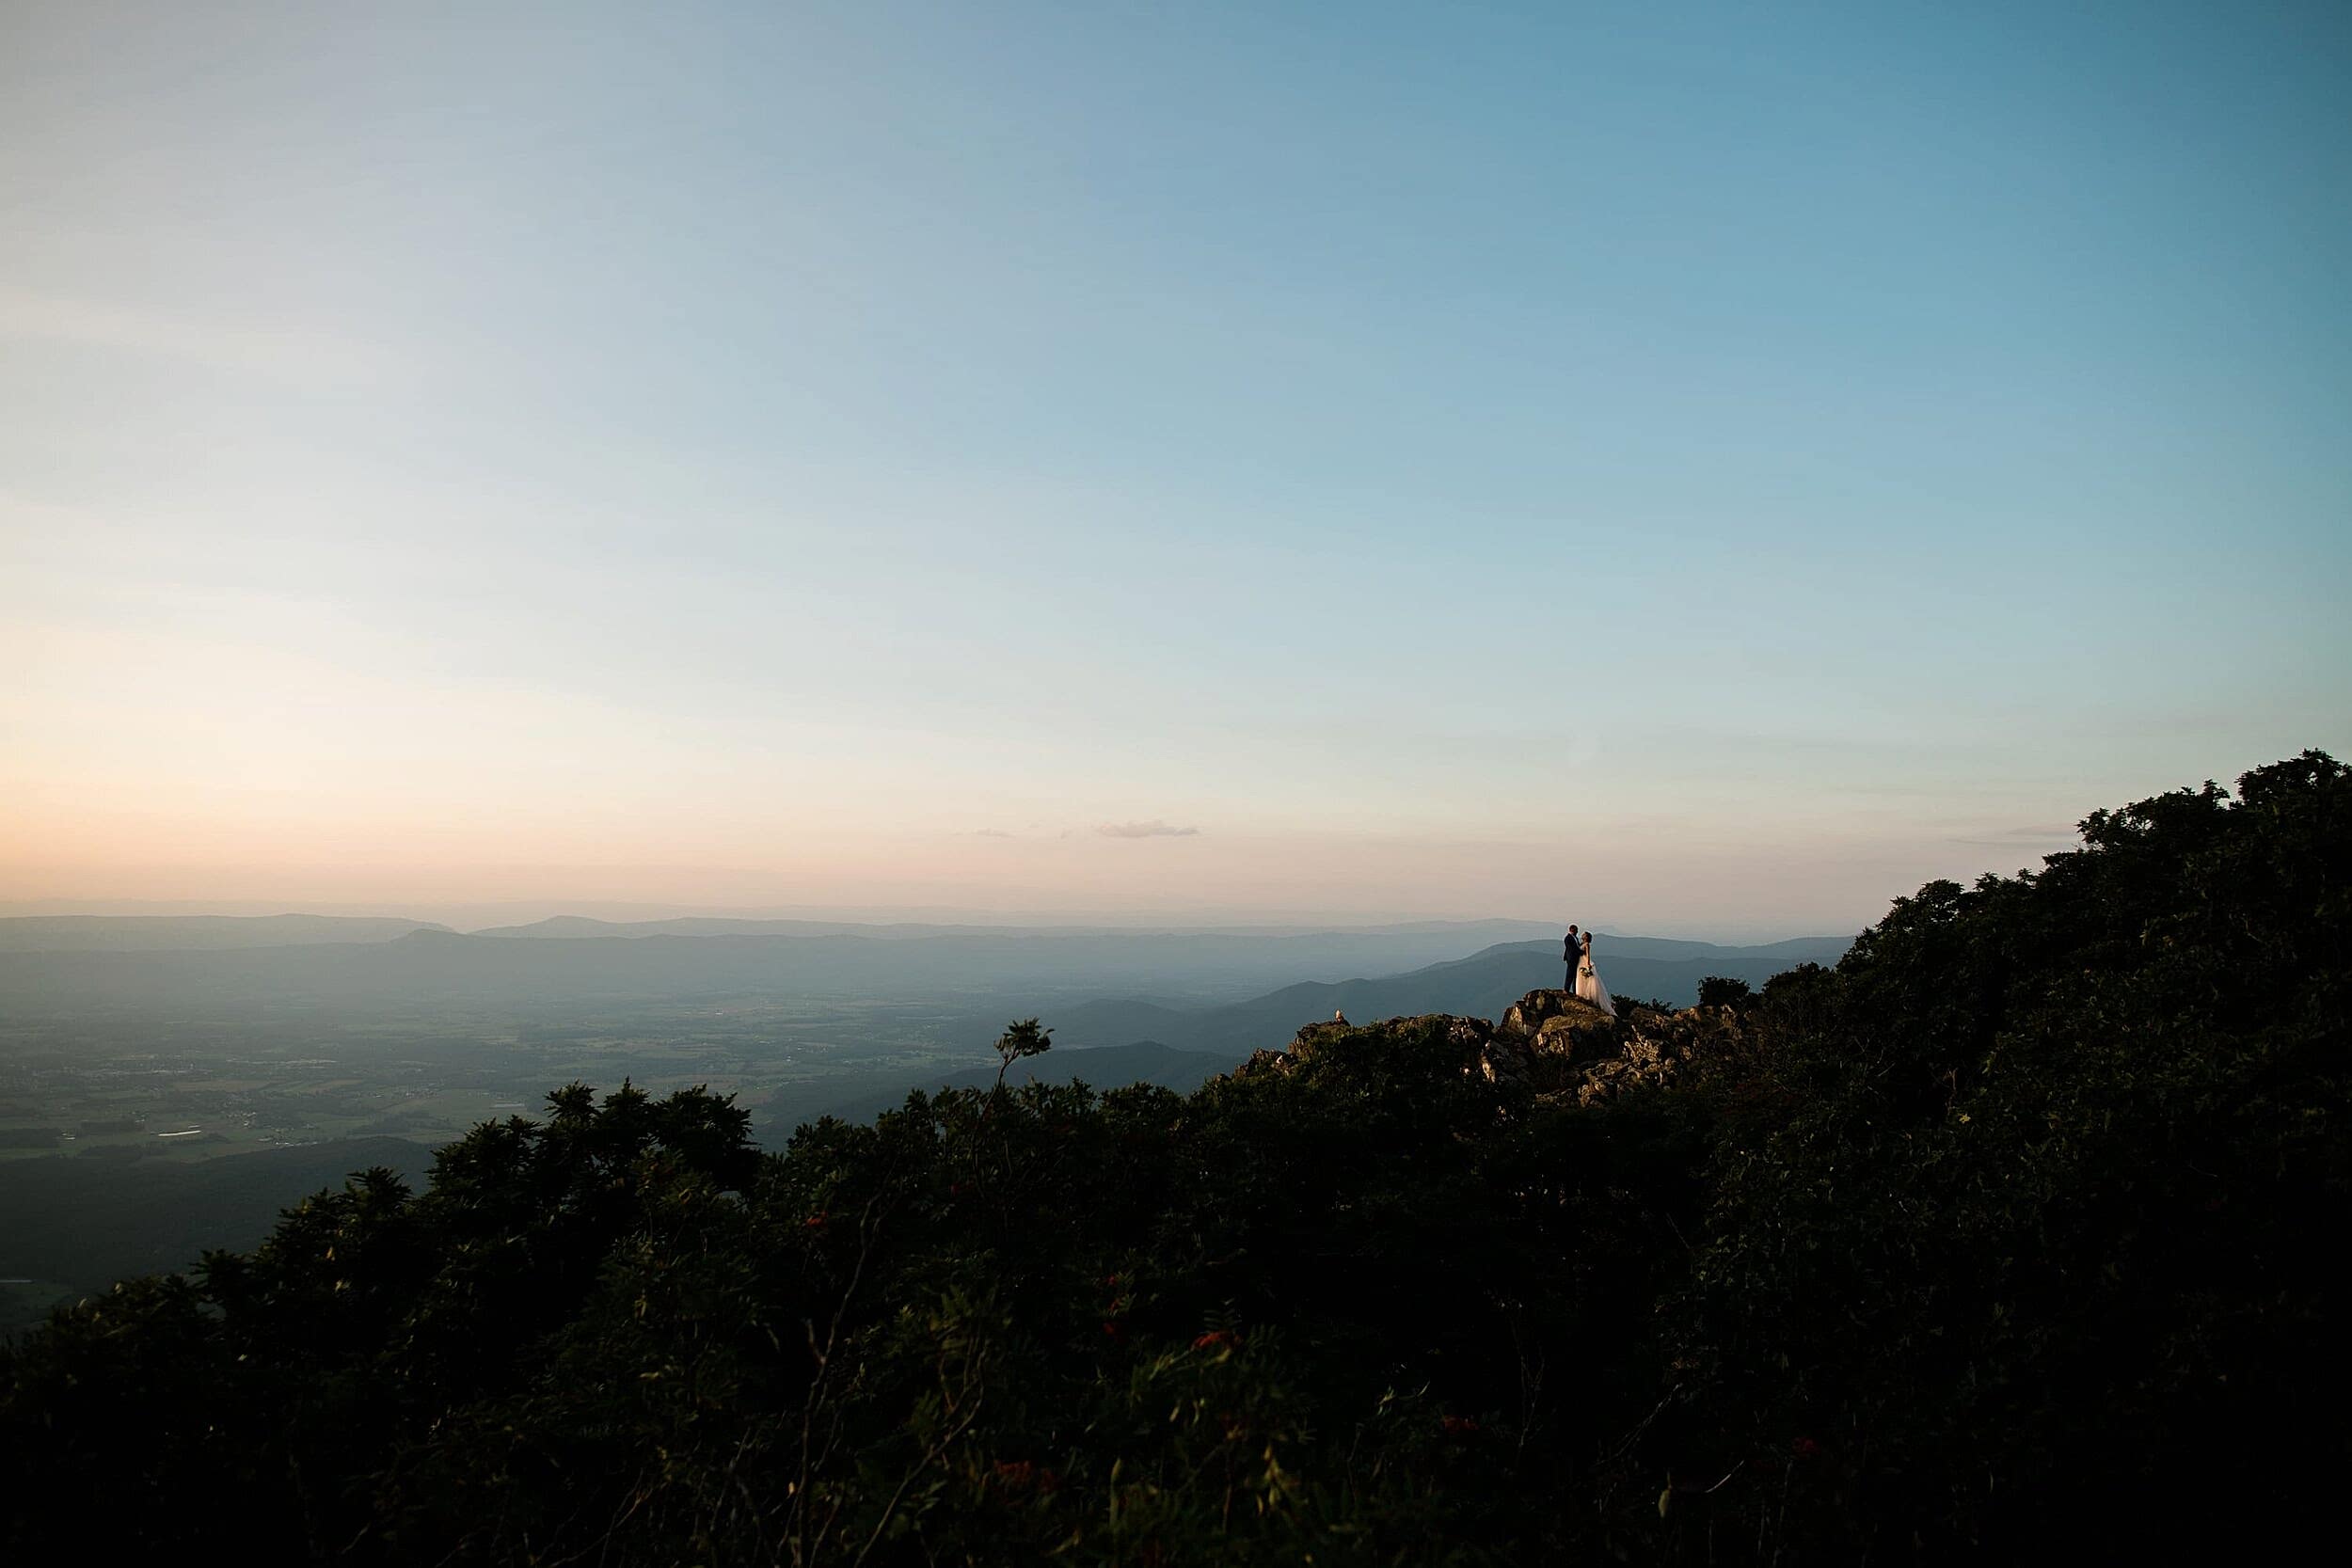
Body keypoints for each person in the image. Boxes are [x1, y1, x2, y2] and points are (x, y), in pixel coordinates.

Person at [1575, 931, 1614, 1015]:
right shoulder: (1582, 943)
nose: (1582, 935)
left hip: (1584, 961)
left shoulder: (1587, 945)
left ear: (1586, 937)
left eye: (1584, 935)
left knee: (1586, 978)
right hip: (1580, 962)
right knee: (1581, 978)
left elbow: (1588, 955)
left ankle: (1586, 994)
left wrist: (1588, 964)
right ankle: (1581, 993)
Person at [1562, 924, 1581, 989]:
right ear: (1572, 930)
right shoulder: (1568, 938)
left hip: (1575, 959)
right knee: (1570, 974)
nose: (1577, 932)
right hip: (1571, 959)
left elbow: (1577, 946)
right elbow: (1572, 949)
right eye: (1576, 930)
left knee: (1575, 975)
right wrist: (1581, 952)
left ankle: (1574, 989)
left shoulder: (1575, 938)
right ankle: (1566, 988)